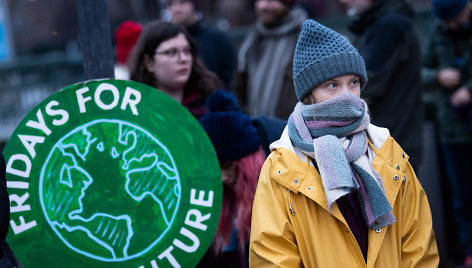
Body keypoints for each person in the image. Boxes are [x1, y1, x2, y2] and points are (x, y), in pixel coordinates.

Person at [249, 19, 439, 267]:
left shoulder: (385, 150)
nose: (347, 95)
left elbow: (418, 245)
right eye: (332, 85)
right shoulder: (283, 165)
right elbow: (272, 255)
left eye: (353, 82)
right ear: (309, 94)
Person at [339, 0, 423, 169]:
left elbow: (368, 82)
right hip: (389, 136)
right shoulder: (377, 23)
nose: (343, 1)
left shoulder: (390, 26)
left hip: (392, 140)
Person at [197, 90, 274, 267]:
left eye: (227, 166)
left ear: (247, 161)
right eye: (216, 170)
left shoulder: (283, 179)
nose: (223, 178)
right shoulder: (216, 200)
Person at [422, 0, 472, 265]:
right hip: (452, 128)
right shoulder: (436, 31)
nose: (453, 25)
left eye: (456, 17)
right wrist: (438, 77)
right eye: (447, 21)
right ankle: (469, 251)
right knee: (462, 195)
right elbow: (421, 71)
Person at [128, 20, 222, 119]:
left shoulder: (217, 108)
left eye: (187, 51)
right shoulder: (134, 116)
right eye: (171, 52)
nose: (183, 59)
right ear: (149, 62)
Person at [233, 0, 307, 119]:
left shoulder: (305, 38)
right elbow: (239, 88)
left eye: (271, 1)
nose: (263, 6)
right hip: (256, 128)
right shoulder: (252, 39)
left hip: (291, 130)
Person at [167, 0, 236, 89]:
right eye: (171, 4)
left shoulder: (216, 38)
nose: (176, 9)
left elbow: (230, 77)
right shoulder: (167, 42)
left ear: (193, 5)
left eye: (182, 2)